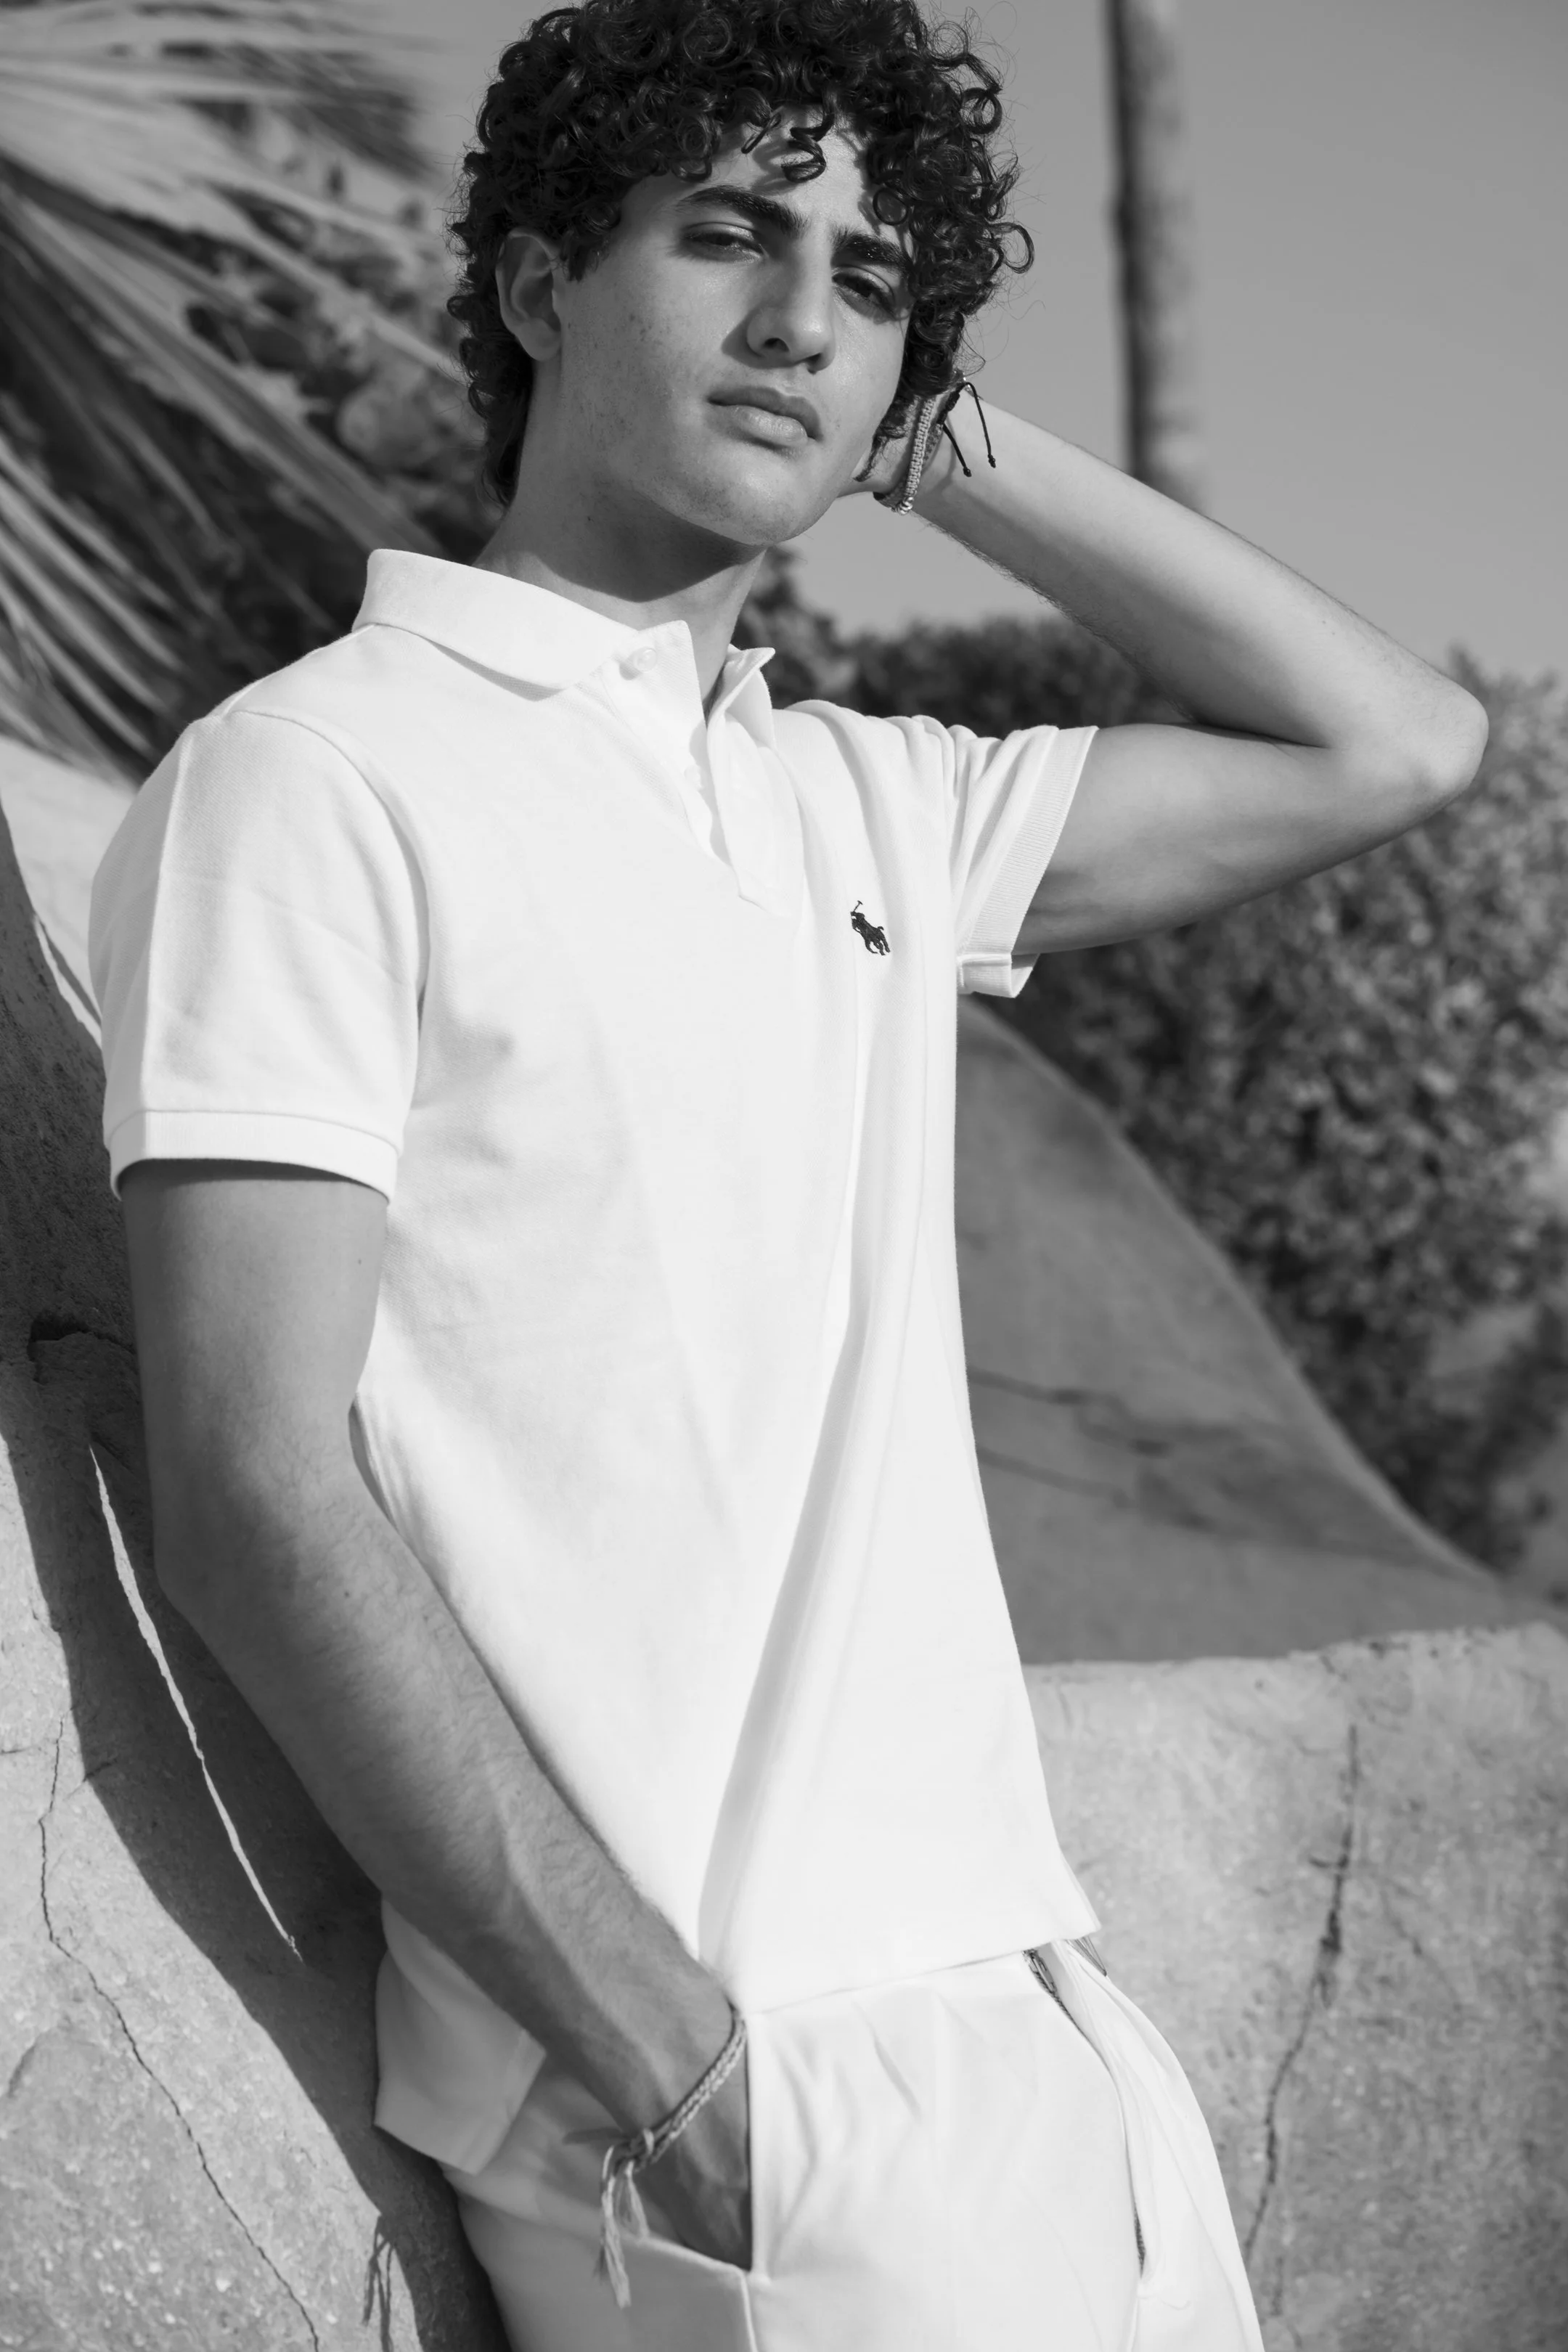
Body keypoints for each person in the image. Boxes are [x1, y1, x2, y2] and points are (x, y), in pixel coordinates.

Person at [89, 1, 1485, 2345]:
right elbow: (247, 1481)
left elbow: (1395, 740)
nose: (798, 318)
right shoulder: (319, 774)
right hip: (742, 2115)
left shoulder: (862, 805)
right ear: (538, 286)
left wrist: (931, 434)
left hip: (1048, 2051)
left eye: (866, 277)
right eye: (728, 234)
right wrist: (685, 2077)